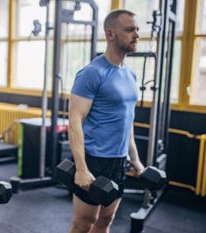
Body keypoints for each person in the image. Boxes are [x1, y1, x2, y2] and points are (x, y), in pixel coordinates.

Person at [68, 9, 146, 233]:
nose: (136, 35)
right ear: (110, 34)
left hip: (118, 161)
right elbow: (75, 121)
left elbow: (127, 121)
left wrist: (135, 159)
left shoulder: (130, 76)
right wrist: (81, 168)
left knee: (105, 221)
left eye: (137, 30)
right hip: (94, 159)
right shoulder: (92, 73)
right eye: (130, 30)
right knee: (83, 224)